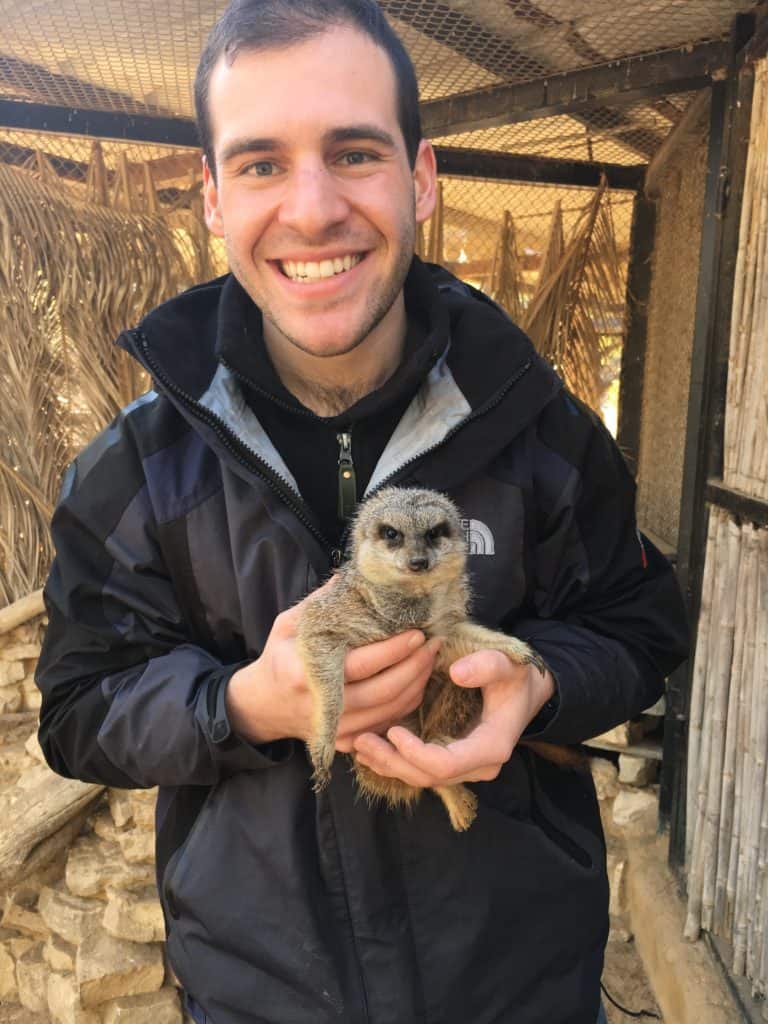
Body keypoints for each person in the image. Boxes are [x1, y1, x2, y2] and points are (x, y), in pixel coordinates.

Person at [35, 2, 688, 1022]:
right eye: (259, 164)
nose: (311, 209)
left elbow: (643, 626)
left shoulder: (542, 427)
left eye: (353, 152)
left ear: (421, 176)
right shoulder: (139, 465)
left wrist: (536, 684)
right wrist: (246, 705)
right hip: (258, 995)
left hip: (520, 990)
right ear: (209, 196)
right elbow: (78, 710)